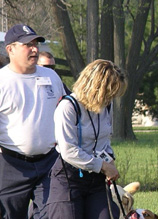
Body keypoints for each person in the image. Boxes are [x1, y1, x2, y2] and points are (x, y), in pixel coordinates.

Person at [0, 24, 65, 219]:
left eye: (36, 43)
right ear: (10, 49)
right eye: (28, 44)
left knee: (53, 214)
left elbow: (65, 113)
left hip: (49, 163)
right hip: (10, 165)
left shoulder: (51, 76)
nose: (35, 49)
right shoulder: (2, 81)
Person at [47, 59, 126, 218]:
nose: (110, 99)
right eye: (109, 93)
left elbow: (103, 140)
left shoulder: (106, 106)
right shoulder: (68, 107)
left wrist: (109, 159)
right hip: (68, 177)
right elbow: (69, 151)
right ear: (95, 87)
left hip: (95, 178)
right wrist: (102, 166)